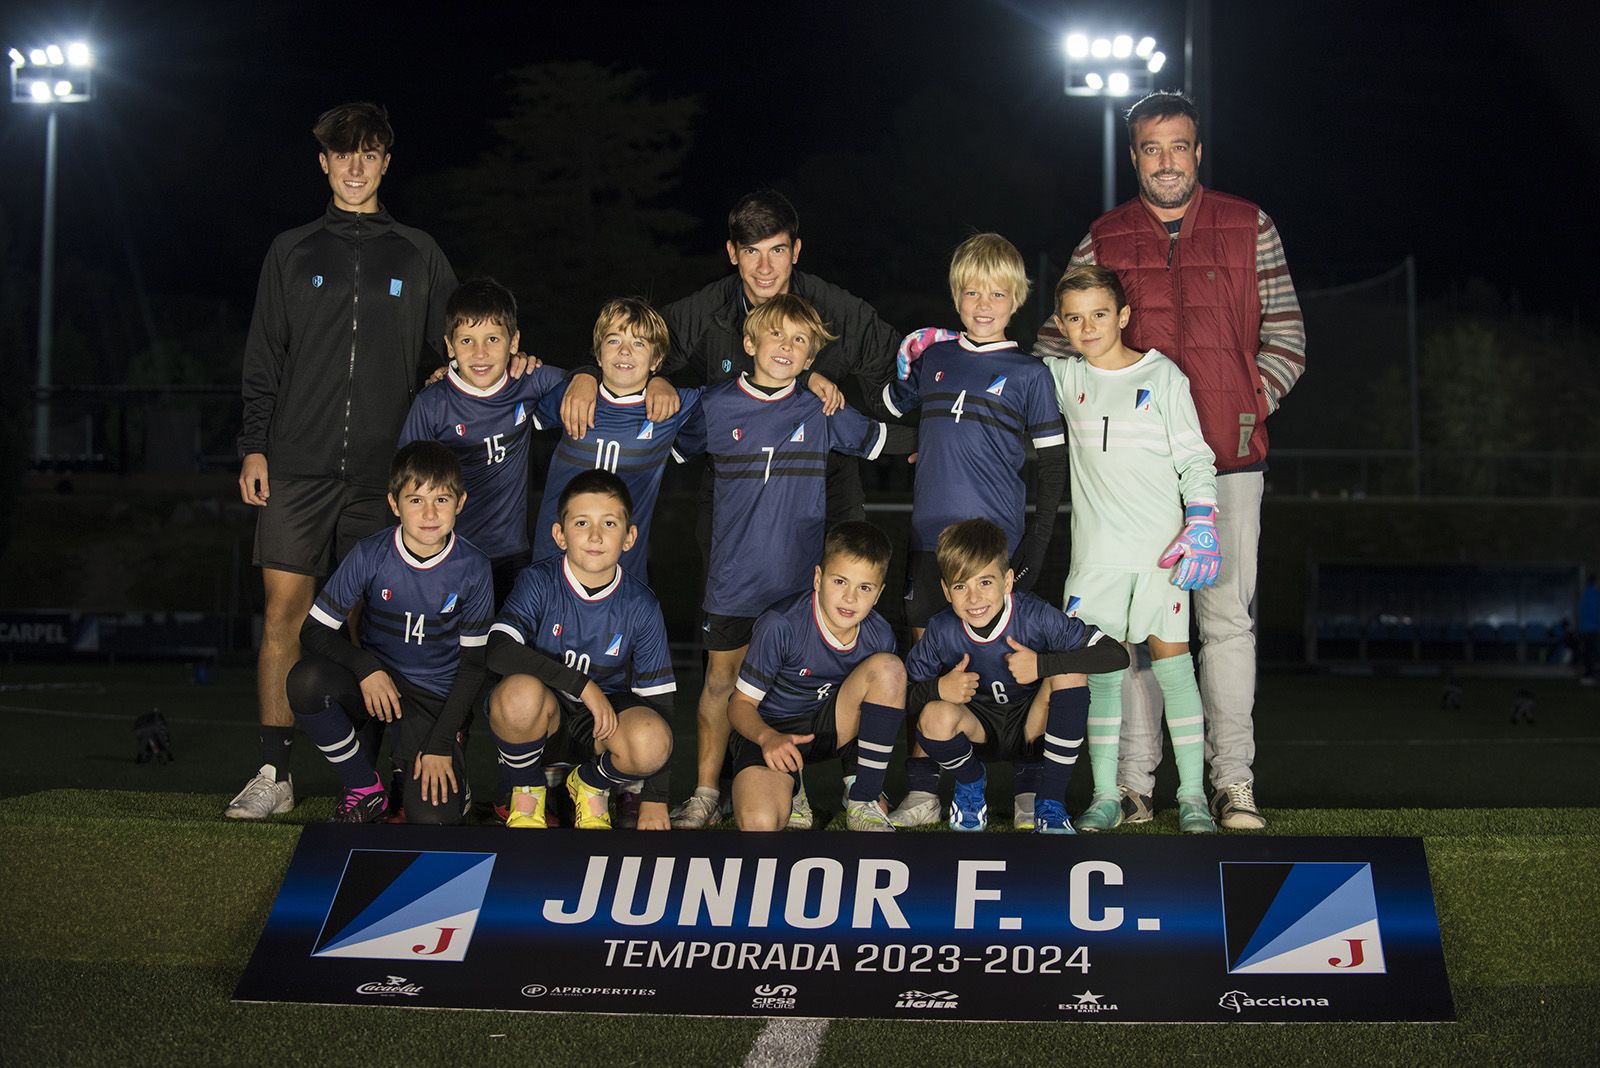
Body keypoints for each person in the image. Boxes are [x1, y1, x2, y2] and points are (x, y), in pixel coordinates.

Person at [1032, 90, 1306, 830]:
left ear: (1198, 152)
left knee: (1226, 627)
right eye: (1151, 149)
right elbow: (1058, 341)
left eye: (1178, 146)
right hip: (1134, 486)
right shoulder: (1105, 235)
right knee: (1135, 636)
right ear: (1134, 157)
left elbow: (1287, 336)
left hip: (1226, 464)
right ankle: (1131, 786)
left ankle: (1231, 783)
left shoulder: (1251, 226)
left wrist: (1247, 408)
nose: (1166, 161)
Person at [228, 102, 458, 819]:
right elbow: (265, 353)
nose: (355, 166)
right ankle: (274, 771)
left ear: (386, 162)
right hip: (295, 466)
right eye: (342, 154)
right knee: (284, 616)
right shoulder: (291, 249)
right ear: (323, 162)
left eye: (369, 153)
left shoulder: (417, 251)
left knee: (374, 627)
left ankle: (378, 778)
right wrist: (255, 443)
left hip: (381, 477)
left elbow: (464, 345)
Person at [666, 293, 908, 829]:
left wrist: (945, 438)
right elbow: (659, 432)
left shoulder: (819, 409)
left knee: (794, 682)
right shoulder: (713, 405)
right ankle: (706, 793)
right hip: (733, 582)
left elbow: (883, 440)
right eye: (776, 335)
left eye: (801, 341)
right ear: (750, 343)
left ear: (810, 359)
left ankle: (820, 788)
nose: (787, 347)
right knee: (721, 685)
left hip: (801, 585)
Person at [558, 189, 900, 529]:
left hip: (823, 485)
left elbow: (903, 369)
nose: (764, 267)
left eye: (777, 250)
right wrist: (589, 374)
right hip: (734, 485)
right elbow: (631, 340)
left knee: (839, 576)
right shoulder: (707, 309)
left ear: (795, 251)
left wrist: (938, 436)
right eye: (752, 251)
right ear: (732, 252)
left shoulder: (837, 310)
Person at [880, 233, 1068, 830]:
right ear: (955, 295)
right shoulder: (935, 358)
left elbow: (1053, 469)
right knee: (926, 666)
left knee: (1017, 662)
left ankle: (1029, 791)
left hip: (997, 553)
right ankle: (922, 789)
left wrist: (1034, 547)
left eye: (997, 293)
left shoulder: (1030, 374)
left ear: (1016, 299)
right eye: (970, 292)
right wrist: (903, 357)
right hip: (929, 546)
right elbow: (893, 406)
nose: (983, 304)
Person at [1042, 265, 1221, 834]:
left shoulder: (1163, 375)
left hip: (1162, 554)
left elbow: (1195, 457)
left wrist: (1202, 521)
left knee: (1175, 670)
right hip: (1095, 561)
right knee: (1102, 676)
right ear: (1061, 325)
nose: (1088, 326)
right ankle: (1104, 795)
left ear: (1122, 316)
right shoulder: (1063, 378)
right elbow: (995, 371)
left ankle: (1192, 796)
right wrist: (938, 345)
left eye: (1099, 313)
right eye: (1074, 317)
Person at [283, 441, 493, 824]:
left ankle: (446, 782)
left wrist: (442, 742)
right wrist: (365, 667)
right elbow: (313, 631)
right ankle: (364, 787)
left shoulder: (473, 567)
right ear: (394, 505)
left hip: (433, 695)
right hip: (376, 684)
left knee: (433, 820)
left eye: (441, 500)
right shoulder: (370, 553)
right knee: (307, 681)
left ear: (460, 502)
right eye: (416, 500)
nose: (429, 513)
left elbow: (474, 665)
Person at [903, 519, 1128, 832]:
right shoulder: (941, 629)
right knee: (933, 714)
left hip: (1031, 729)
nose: (973, 597)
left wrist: (1041, 666)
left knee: (1071, 673)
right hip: (977, 733)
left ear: (1007, 581)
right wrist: (939, 688)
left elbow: (1116, 654)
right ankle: (971, 781)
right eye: (960, 586)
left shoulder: (1034, 616)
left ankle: (1050, 804)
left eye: (985, 582)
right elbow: (903, 697)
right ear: (945, 590)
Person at [484, 470, 677, 830]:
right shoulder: (538, 582)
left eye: (609, 523)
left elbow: (661, 700)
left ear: (629, 537)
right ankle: (527, 787)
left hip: (599, 729)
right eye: (582, 522)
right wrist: (582, 686)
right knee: (517, 693)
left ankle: (592, 783)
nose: (595, 535)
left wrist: (656, 798)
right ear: (559, 534)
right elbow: (497, 649)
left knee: (652, 738)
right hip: (547, 719)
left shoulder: (641, 604)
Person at [728, 521, 906, 832]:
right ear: (818, 578)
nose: (850, 598)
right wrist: (767, 738)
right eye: (840, 581)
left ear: (878, 594)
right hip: (772, 732)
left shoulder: (879, 635)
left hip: (832, 726)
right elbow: (738, 705)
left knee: (889, 669)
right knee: (759, 822)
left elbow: (875, 710)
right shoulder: (780, 624)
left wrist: (863, 780)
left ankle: (862, 794)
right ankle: (793, 788)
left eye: (864, 588)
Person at [397, 279, 566, 607]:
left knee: (506, 652)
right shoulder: (432, 403)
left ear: (513, 341)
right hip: (449, 555)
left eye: (492, 338)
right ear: (449, 346)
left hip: (510, 557)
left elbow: (582, 383)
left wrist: (586, 377)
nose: (480, 353)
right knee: (449, 654)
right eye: (466, 340)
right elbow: (407, 486)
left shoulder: (528, 381)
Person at [529, 298, 703, 586]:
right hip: (552, 567)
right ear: (597, 354)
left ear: (657, 360)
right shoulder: (570, 394)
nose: (624, 351)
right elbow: (505, 384)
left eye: (639, 344)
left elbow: (738, 402)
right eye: (613, 341)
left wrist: (664, 382)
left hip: (624, 575)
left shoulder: (675, 406)